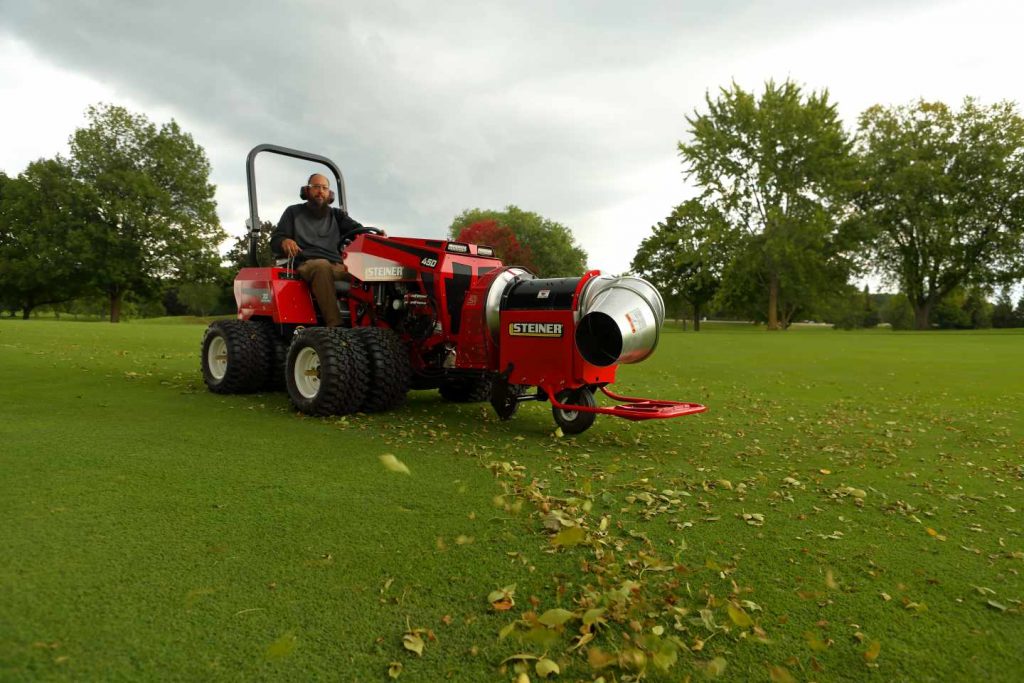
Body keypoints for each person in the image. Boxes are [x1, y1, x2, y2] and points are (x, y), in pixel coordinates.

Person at [270, 173, 365, 327]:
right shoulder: (293, 212)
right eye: (316, 187)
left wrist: (374, 236)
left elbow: (358, 230)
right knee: (321, 266)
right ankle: (336, 326)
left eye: (324, 188)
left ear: (330, 194)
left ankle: (370, 323)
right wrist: (285, 240)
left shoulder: (337, 215)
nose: (320, 191)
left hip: (336, 265)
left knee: (368, 271)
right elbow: (276, 239)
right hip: (306, 263)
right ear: (306, 191)